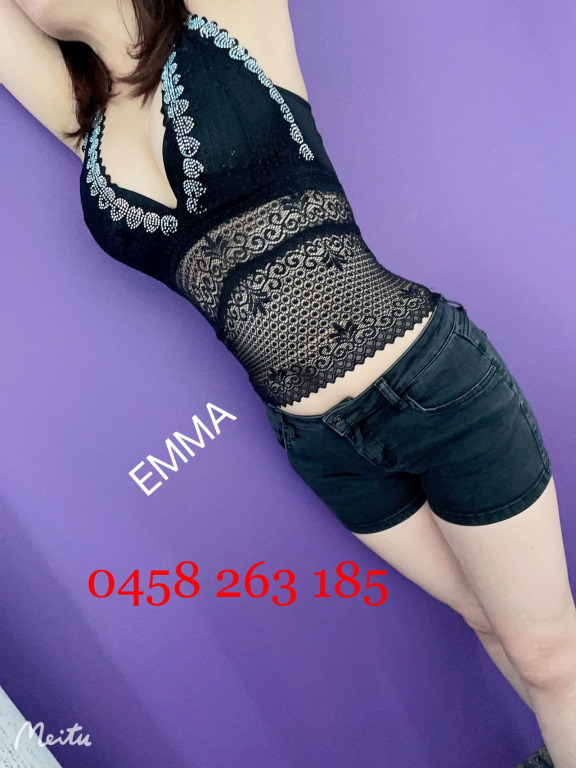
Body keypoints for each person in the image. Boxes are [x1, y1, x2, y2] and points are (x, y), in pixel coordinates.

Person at [1, 1, 574, 763]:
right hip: (322, 446)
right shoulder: (82, 119)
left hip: (429, 386)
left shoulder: (226, 19)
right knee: (491, 625)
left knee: (548, 653)